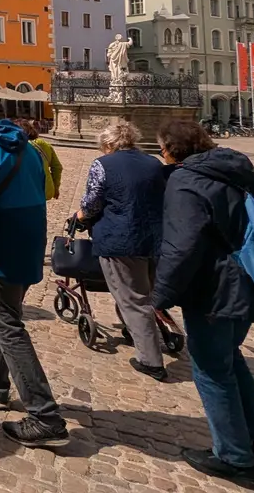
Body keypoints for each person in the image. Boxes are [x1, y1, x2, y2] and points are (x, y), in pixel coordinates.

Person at [152, 118, 254, 487]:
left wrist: (161, 295)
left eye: (162, 149)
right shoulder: (236, 171)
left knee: (212, 369)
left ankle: (234, 456)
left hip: (214, 289)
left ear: (171, 150)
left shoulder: (186, 180)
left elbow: (182, 246)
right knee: (231, 359)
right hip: (250, 282)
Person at [0, 96, 69, 448]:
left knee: (9, 327)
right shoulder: (31, 150)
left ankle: (45, 415)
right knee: (4, 314)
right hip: (29, 245)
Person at [76, 118, 170, 381]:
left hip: (120, 239)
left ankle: (151, 361)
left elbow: (92, 203)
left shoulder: (103, 164)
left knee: (133, 298)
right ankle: (136, 331)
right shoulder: (153, 162)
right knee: (145, 292)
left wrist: (80, 216)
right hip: (154, 238)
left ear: (108, 144)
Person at [22, 119, 64, 202]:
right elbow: (57, 167)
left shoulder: (20, 146)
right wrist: (55, 187)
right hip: (46, 188)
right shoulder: (45, 144)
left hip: (27, 190)